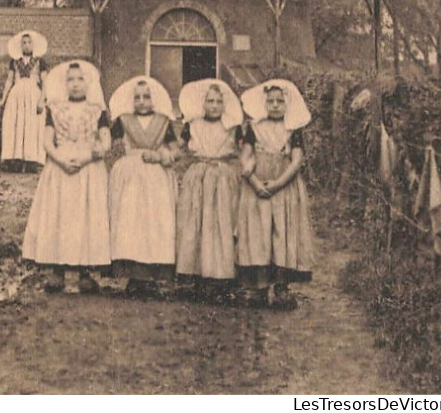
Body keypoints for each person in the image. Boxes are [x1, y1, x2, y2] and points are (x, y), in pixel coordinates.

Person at [22, 60, 110, 294]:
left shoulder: (97, 110)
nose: (75, 84)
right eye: (70, 80)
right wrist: (59, 159)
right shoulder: (55, 108)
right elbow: (47, 140)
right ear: (65, 83)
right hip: (60, 168)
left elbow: (106, 140)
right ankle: (57, 271)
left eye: (80, 79)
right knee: (59, 216)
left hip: (88, 167)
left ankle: (85, 272)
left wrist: (90, 156)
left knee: (85, 216)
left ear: (88, 83)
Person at [236, 79, 314, 309]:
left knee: (282, 231)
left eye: (280, 101)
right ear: (264, 104)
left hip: (283, 186)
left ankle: (281, 287)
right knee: (258, 232)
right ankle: (259, 287)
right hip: (257, 184)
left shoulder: (293, 129)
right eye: (270, 101)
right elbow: (245, 155)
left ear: (287, 105)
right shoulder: (254, 127)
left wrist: (279, 183)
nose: (275, 105)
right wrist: (254, 180)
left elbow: (297, 159)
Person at [109, 76, 178, 298]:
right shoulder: (123, 120)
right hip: (130, 176)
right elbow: (109, 143)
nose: (141, 101)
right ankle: (134, 275)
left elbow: (176, 150)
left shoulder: (163, 121)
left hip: (156, 175)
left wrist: (163, 155)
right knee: (130, 222)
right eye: (136, 97)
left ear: (154, 99)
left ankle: (152, 276)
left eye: (146, 97)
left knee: (155, 222)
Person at [176, 79, 243, 302]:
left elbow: (245, 152)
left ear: (225, 104)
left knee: (220, 223)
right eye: (209, 101)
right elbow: (179, 149)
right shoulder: (192, 125)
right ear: (202, 103)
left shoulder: (232, 127)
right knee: (196, 223)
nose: (214, 106)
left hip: (223, 177)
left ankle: (220, 276)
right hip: (198, 177)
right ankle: (195, 276)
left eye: (218, 101)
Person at [0, 30, 48, 172]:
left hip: (33, 96)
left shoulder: (40, 61)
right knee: (16, 125)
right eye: (24, 43)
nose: (26, 45)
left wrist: (42, 100)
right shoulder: (14, 61)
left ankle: (32, 161)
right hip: (17, 96)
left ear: (34, 45)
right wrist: (3, 99)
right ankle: (16, 159)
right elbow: (9, 80)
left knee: (32, 126)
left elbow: (46, 82)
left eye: (29, 42)